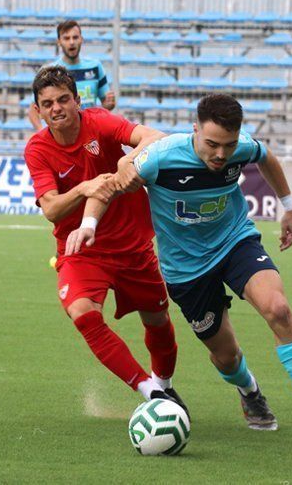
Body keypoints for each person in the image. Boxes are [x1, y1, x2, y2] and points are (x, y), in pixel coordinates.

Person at [66, 93, 292, 445]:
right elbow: (108, 186)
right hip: (186, 269)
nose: (221, 155)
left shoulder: (241, 148)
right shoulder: (160, 157)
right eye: (212, 144)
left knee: (277, 308)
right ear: (195, 131)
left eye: (228, 146)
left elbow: (267, 158)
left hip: (235, 242)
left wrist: (289, 207)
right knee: (226, 355)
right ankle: (249, 390)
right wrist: (89, 225)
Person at [23, 66, 187, 413]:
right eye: (47, 103)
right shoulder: (37, 149)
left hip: (132, 246)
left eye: (63, 99)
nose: (56, 109)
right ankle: (151, 393)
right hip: (82, 249)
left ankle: (165, 386)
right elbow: (51, 209)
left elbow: (156, 136)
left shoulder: (101, 122)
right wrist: (84, 187)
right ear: (38, 110)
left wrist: (128, 159)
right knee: (82, 313)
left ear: (78, 100)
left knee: (158, 323)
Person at [27, 20, 116, 130]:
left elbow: (106, 104)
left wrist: (109, 104)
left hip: (89, 132)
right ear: (59, 41)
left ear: (81, 39)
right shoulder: (50, 71)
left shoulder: (95, 67)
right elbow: (33, 111)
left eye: (75, 37)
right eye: (66, 38)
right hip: (61, 134)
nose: (71, 42)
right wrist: (43, 133)